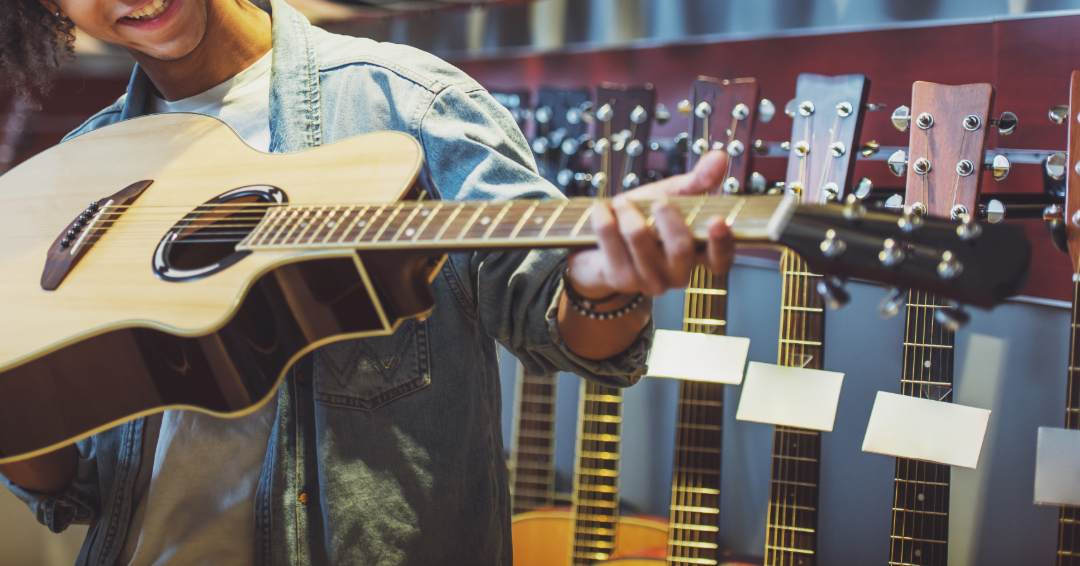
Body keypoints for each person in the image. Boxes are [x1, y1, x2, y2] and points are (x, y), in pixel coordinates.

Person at [0, 0, 735, 563]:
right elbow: (74, 482)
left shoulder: (409, 103)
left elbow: (552, 318)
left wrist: (605, 283)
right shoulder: (85, 164)